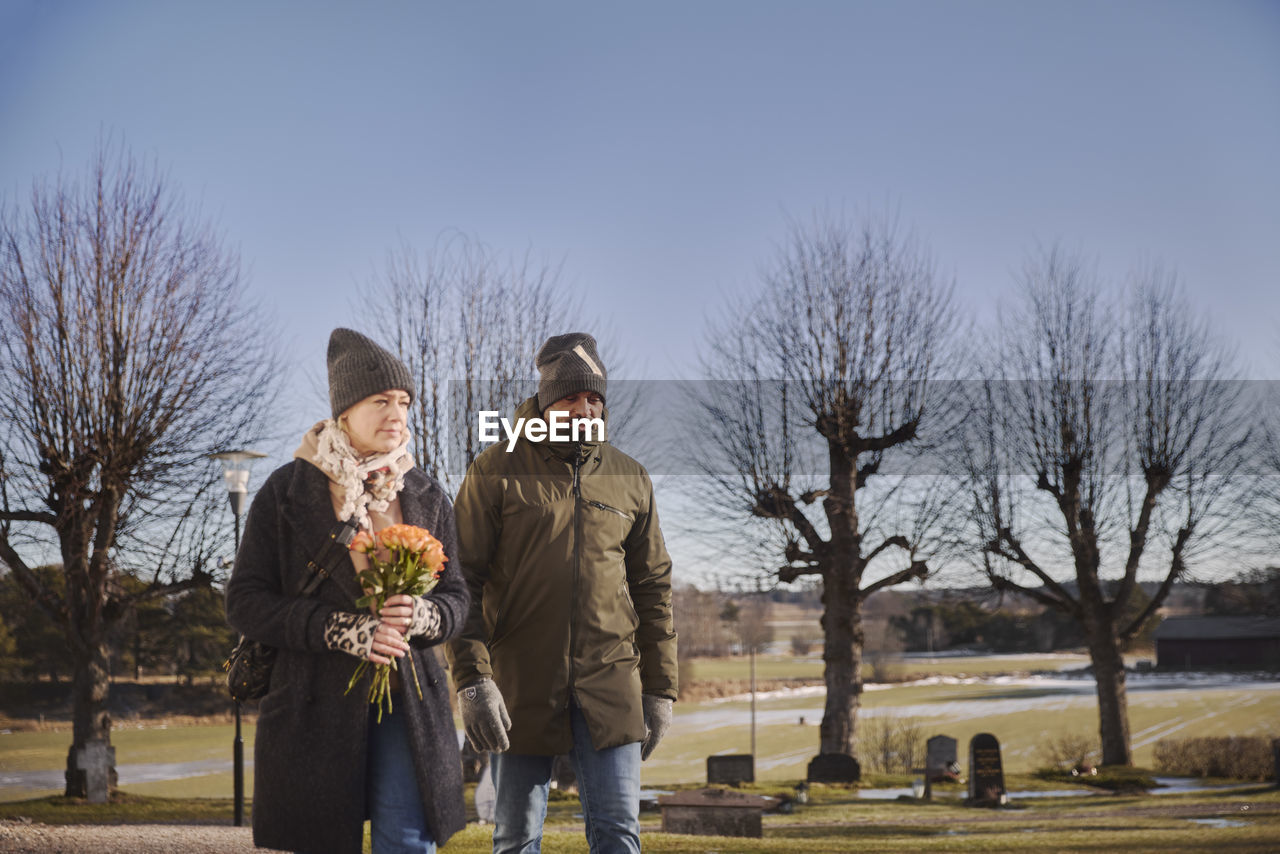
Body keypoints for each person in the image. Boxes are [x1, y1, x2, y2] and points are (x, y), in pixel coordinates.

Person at [226, 328, 468, 854]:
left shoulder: (425, 493)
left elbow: (457, 598)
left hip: (410, 706)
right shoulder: (286, 492)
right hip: (313, 706)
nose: (397, 413)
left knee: (407, 842)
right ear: (344, 413)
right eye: (381, 400)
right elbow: (245, 601)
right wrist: (340, 630)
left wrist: (423, 616)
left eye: (404, 401)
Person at [446, 332, 678, 854]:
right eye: (571, 397)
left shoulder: (630, 478)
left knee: (619, 834)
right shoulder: (495, 469)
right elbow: (460, 580)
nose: (584, 408)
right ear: (546, 403)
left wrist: (661, 689)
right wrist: (472, 681)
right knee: (516, 838)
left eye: (594, 398)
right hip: (519, 686)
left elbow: (653, 590)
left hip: (611, 679)